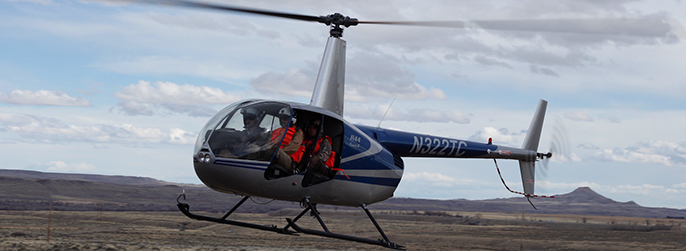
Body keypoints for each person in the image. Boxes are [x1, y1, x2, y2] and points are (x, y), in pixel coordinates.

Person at [270, 107, 303, 173]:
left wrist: (276, 152)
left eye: (285, 118)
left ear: (292, 119)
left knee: (274, 151)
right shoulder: (277, 131)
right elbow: (268, 143)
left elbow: (293, 148)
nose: (282, 120)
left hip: (289, 161)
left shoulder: (298, 132)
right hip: (275, 155)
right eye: (280, 118)